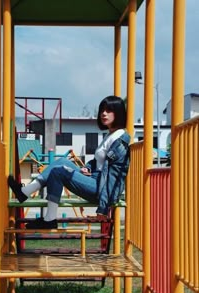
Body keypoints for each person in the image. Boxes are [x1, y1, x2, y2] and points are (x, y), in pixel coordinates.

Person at [8, 95, 130, 229]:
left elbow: (114, 177)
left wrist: (103, 207)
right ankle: (24, 192)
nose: (103, 113)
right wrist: (88, 168)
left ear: (118, 113)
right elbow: (98, 161)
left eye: (109, 110)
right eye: (102, 110)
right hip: (95, 179)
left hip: (100, 189)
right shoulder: (110, 135)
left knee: (58, 172)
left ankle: (49, 219)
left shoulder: (120, 140)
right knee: (61, 161)